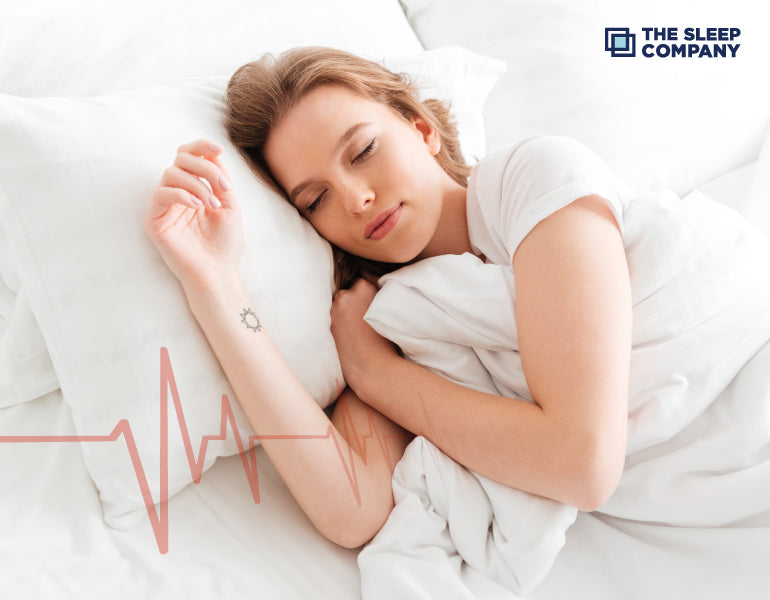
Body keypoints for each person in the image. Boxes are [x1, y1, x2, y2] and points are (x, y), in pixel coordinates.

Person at [143, 47, 631, 549]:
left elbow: (583, 465)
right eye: (316, 200)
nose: (355, 199)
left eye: (362, 151)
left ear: (421, 127)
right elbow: (352, 510)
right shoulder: (390, 319)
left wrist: (379, 377)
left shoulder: (535, 175)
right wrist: (216, 286)